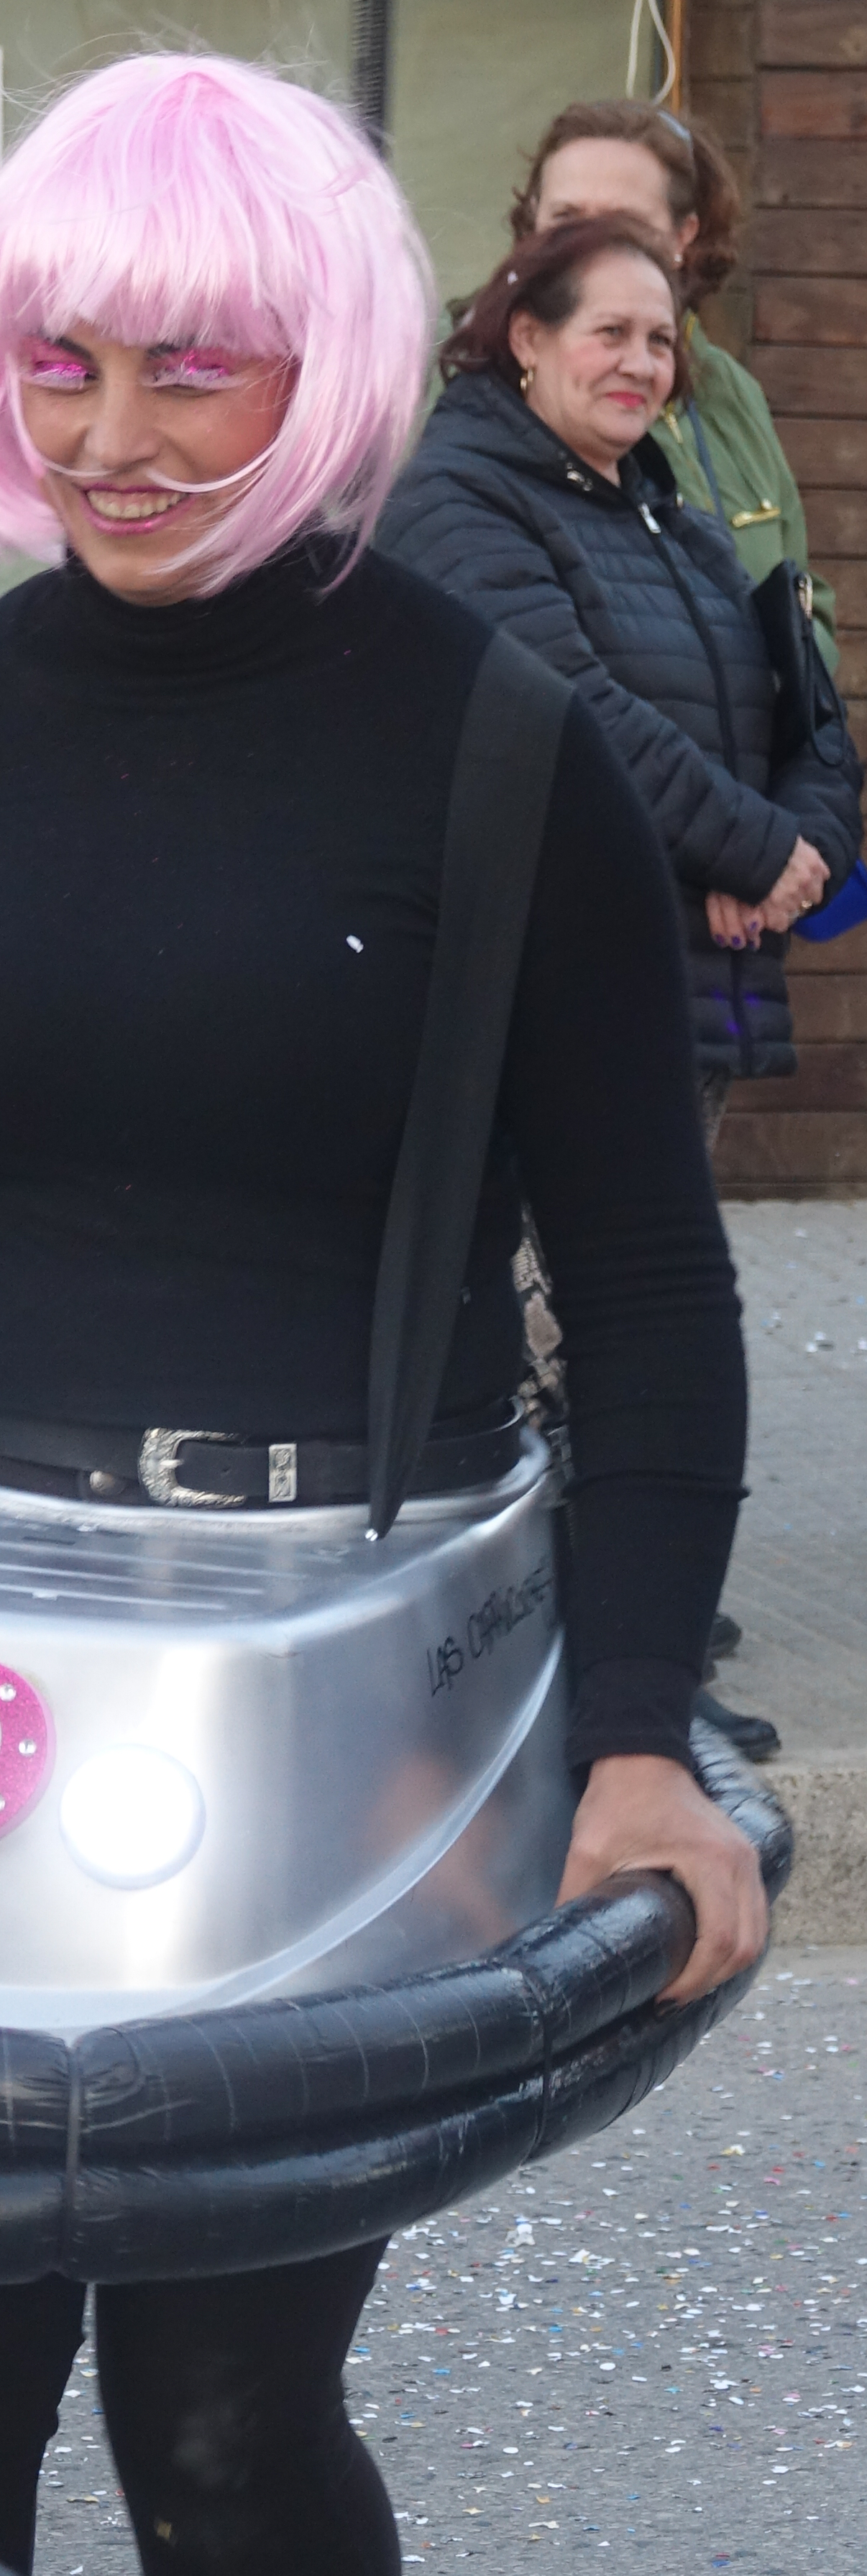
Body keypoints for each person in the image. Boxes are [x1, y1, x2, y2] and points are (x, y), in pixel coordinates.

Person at [0, 58, 767, 2576]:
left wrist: (633, 1737)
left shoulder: (507, 763)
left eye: (192, 370)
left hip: (337, 1644)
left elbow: (644, 1269)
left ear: (324, 358)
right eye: (58, 363)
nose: (107, 438)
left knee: (219, 2412)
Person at [377, 221, 858, 1766]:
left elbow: (796, 709)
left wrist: (789, 851)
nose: (644, 364)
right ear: (524, 336)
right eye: (612, 333)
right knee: (543, 1338)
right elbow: (564, 711)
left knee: (621, 1337)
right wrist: (740, 843)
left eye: (663, 341)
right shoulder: (457, 499)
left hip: (683, 977)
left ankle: (627, 1672)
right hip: (543, 983)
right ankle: (538, 1685)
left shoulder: (663, 510)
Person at [510, 96, 838, 664]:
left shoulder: (730, 390)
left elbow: (808, 602)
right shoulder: (478, 368)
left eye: (624, 226)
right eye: (566, 220)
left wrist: (790, 688)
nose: (588, 245)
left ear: (684, 238)